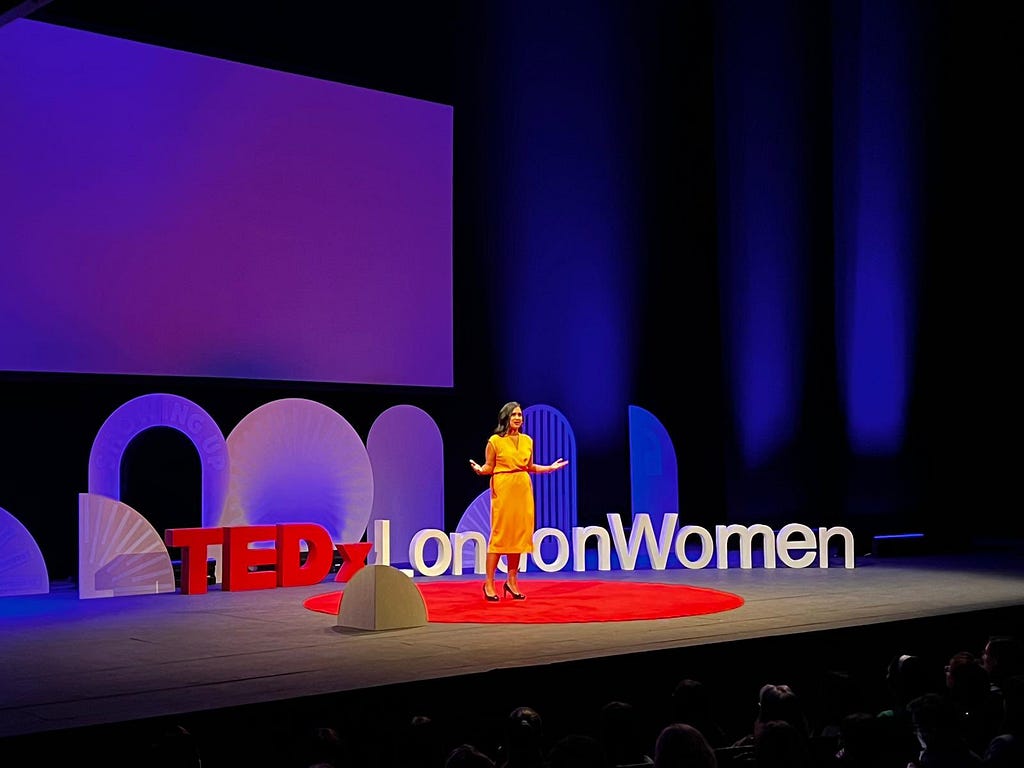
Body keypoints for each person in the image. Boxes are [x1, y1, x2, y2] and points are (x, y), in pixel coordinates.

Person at [469, 401, 568, 601]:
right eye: (514, 414)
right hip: (504, 487)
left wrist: (549, 468)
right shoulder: (495, 441)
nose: (517, 418)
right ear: (505, 417)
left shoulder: (527, 440)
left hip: (523, 488)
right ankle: (489, 583)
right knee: (500, 535)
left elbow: (529, 466)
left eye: (520, 415)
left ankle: (511, 582)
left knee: (519, 537)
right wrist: (480, 470)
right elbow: (489, 467)